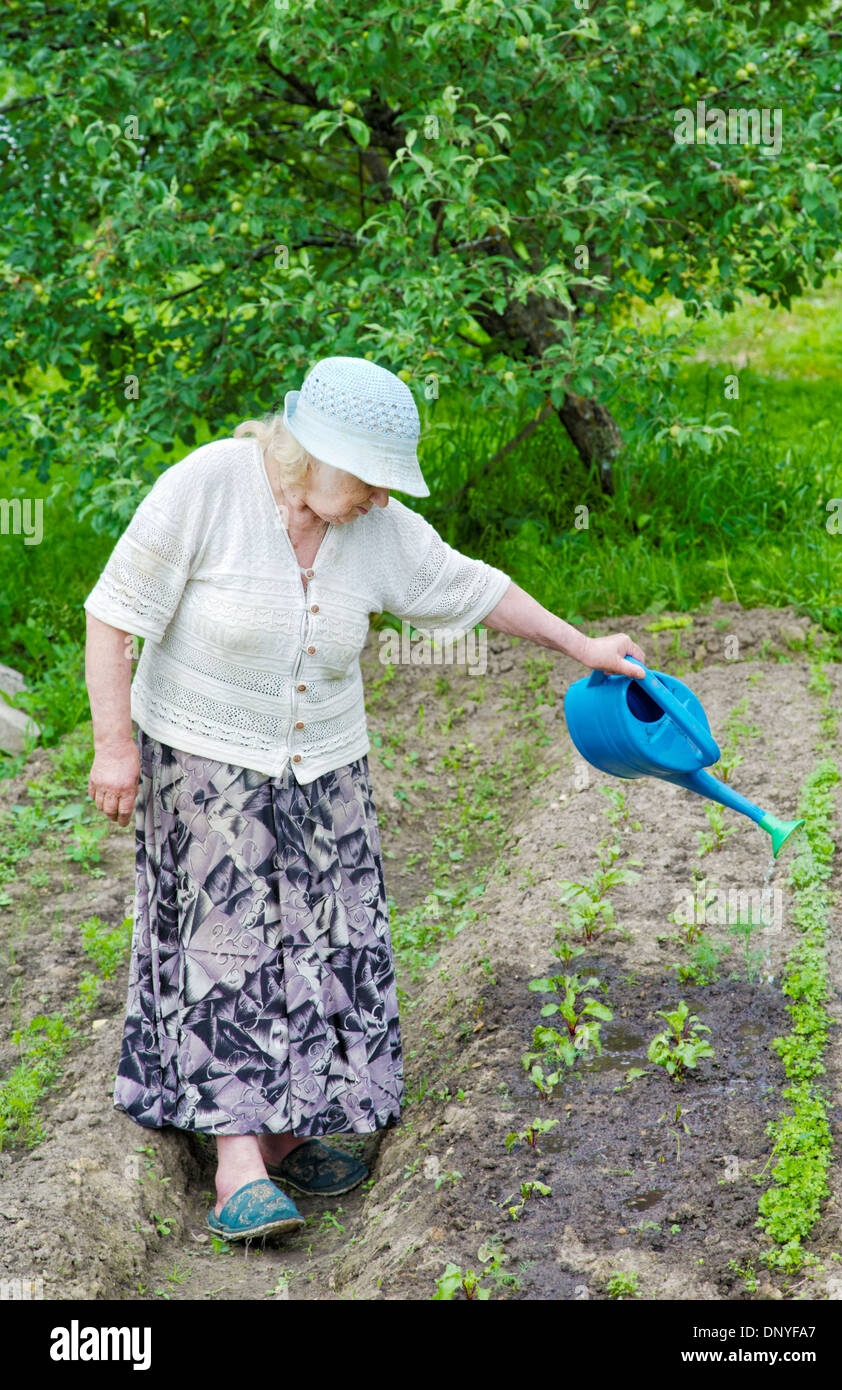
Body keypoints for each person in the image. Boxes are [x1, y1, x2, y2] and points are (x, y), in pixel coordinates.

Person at [82, 355, 646, 1241]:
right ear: (313, 455)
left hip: (324, 760)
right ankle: (235, 1166)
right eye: (374, 480)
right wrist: (115, 745)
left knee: (323, 936)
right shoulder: (207, 486)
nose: (386, 498)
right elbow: (114, 613)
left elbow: (476, 588)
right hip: (204, 756)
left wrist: (584, 647)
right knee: (226, 950)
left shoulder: (375, 530)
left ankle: (298, 1122)